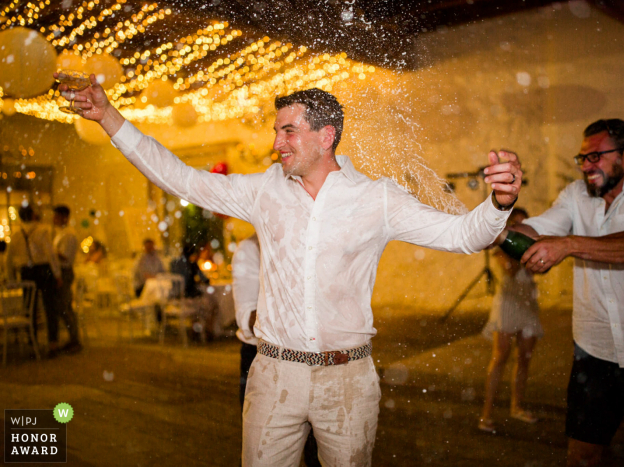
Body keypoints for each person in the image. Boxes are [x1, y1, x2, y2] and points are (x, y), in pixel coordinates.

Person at [60, 74, 522, 466]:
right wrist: (109, 118)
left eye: (288, 131)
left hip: (347, 381)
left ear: (327, 136)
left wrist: (500, 203)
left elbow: (462, 235)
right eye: (277, 131)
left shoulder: (376, 199)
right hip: (274, 376)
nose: (276, 143)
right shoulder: (265, 191)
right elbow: (181, 177)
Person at [513, 119, 624, 467]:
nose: (586, 166)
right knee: (582, 455)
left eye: (596, 157)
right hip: (593, 353)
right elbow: (532, 232)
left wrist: (568, 245)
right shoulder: (576, 196)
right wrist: (497, 210)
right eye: (582, 158)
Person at [232, 233, 320, 467]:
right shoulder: (251, 249)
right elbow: (249, 317)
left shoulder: (311, 241)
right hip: (264, 360)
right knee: (267, 452)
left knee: (318, 453)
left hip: (316, 362)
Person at [479, 207, 542, 433]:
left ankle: (517, 407)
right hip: (507, 303)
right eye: (517, 225)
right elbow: (510, 271)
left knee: (524, 358)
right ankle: (486, 414)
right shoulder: (501, 247)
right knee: (500, 357)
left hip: (527, 302)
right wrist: (515, 248)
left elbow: (538, 269)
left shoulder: (532, 245)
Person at [6, 204, 63, 358]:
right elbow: (50, 254)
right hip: (44, 270)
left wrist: (11, 279)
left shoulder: (16, 234)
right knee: (49, 307)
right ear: (32, 215)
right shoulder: (41, 230)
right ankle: (53, 343)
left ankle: (33, 342)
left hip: (26, 272)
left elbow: (9, 259)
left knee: (29, 308)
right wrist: (57, 274)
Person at [52, 205, 82, 354]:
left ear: (64, 217)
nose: (54, 219)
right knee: (63, 306)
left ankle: (74, 339)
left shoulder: (69, 234)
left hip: (64, 271)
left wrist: (50, 252)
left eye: (56, 216)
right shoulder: (62, 233)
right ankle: (72, 339)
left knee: (65, 307)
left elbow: (65, 257)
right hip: (62, 271)